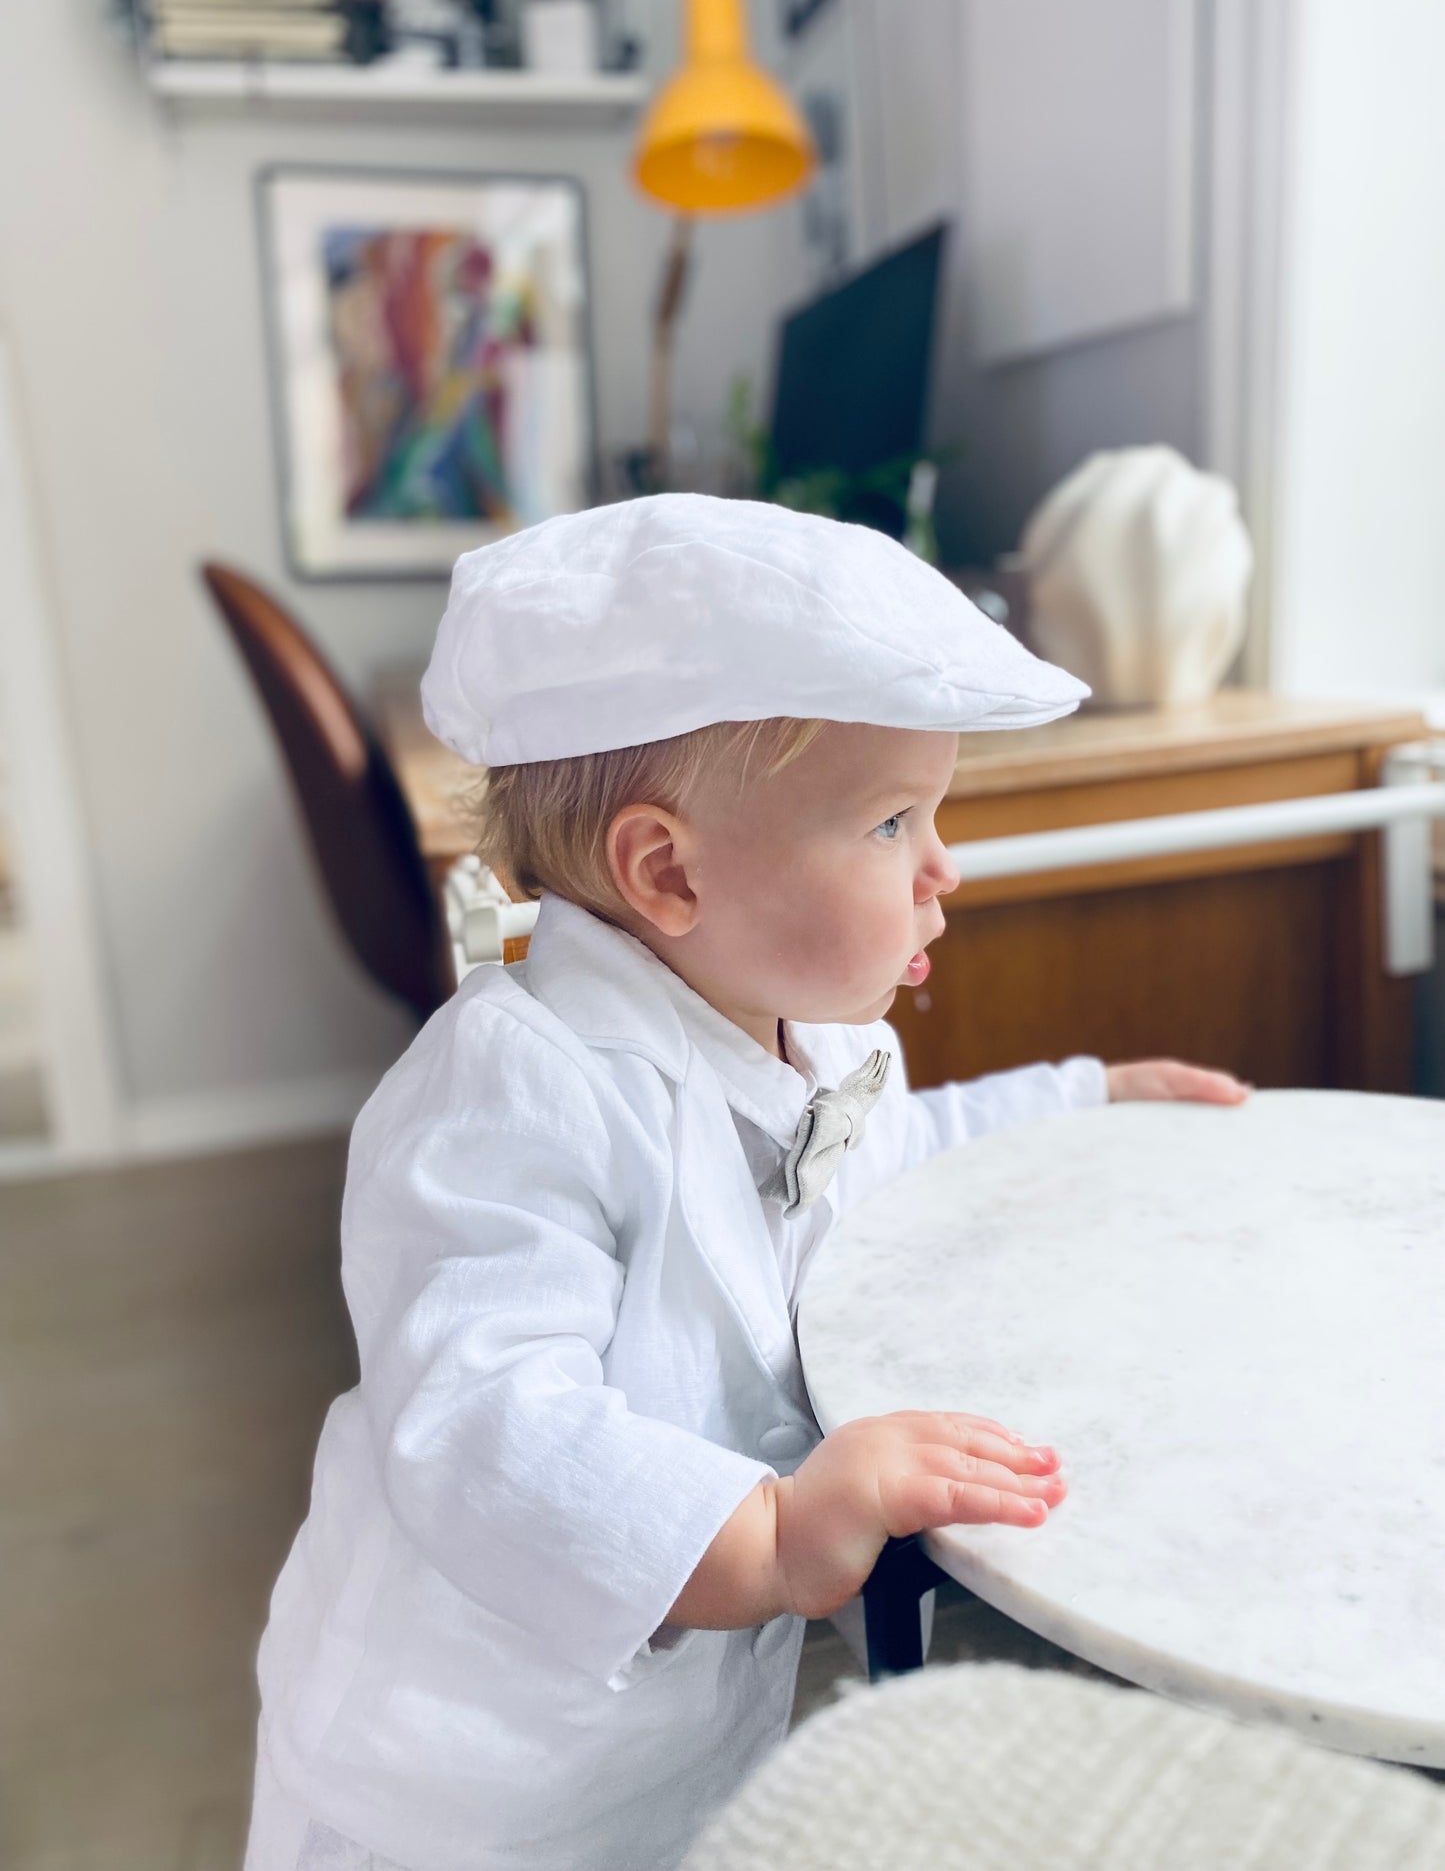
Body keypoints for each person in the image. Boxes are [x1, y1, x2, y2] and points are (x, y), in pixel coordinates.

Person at [243, 496, 1247, 1871]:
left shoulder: (797, 1031)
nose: (945, 867)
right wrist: (772, 1535)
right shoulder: (508, 1091)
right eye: (893, 821)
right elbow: (485, 1429)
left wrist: (1081, 1097)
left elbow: (888, 1148)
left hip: (658, 1758)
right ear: (666, 873)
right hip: (459, 1786)